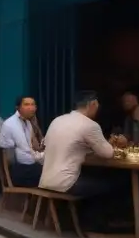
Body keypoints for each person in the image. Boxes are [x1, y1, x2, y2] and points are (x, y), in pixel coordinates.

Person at [38, 91, 126, 228]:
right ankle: (100, 225)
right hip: (66, 183)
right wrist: (118, 143)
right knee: (115, 184)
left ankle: (86, 221)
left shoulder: (57, 120)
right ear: (93, 104)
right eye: (97, 106)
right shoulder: (90, 125)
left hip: (45, 179)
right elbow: (108, 153)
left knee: (95, 178)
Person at [0, 96, 44, 187]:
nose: (31, 108)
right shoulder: (10, 124)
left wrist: (36, 126)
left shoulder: (28, 123)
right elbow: (20, 155)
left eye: (33, 105)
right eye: (26, 104)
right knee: (49, 172)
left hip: (28, 165)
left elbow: (34, 147)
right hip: (19, 170)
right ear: (17, 108)